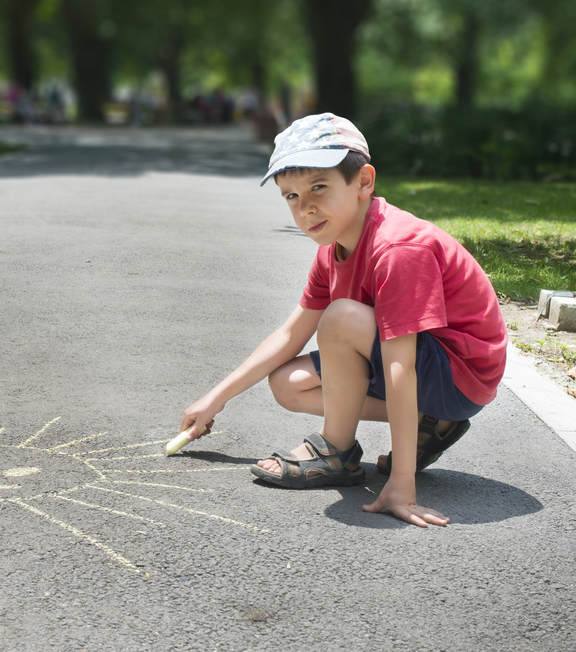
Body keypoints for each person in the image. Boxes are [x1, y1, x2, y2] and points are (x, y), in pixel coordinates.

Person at [179, 112, 507, 528]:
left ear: (363, 182)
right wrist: (216, 398)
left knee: (340, 318)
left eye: (319, 187)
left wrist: (403, 481)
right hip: (426, 369)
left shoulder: (398, 248)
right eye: (292, 196)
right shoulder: (332, 249)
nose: (306, 208)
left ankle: (335, 451)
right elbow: (290, 333)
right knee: (288, 384)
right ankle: (431, 424)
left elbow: (399, 363)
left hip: (460, 375)